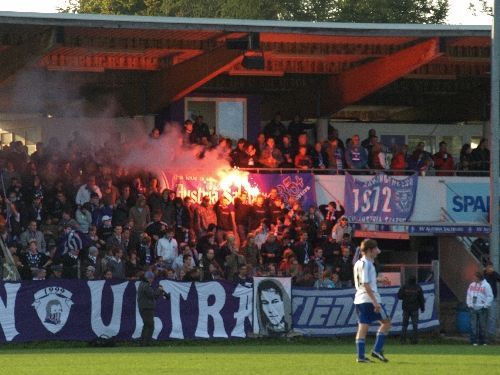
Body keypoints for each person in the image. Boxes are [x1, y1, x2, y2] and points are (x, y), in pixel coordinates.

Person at [353, 239, 391, 363]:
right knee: (386, 322)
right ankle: (376, 350)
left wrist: (378, 280)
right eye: (375, 249)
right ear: (370, 250)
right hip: (369, 299)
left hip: (359, 299)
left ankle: (361, 356)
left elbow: (366, 280)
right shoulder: (367, 264)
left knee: (363, 327)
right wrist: (375, 302)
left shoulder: (359, 263)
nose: (377, 252)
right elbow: (366, 284)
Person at [137, 271, 166, 346]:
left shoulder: (142, 284)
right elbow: (153, 295)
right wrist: (159, 290)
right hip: (147, 308)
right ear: (148, 278)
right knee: (150, 326)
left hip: (144, 307)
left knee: (146, 325)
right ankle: (146, 343)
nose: (152, 280)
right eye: (151, 278)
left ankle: (143, 343)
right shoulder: (146, 285)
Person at [466, 271, 493, 345]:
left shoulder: (486, 285)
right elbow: (468, 295)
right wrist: (469, 304)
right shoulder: (471, 285)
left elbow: (490, 296)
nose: (473, 278)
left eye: (474, 277)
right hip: (473, 307)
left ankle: (483, 341)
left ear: (479, 278)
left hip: (482, 308)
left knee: (482, 325)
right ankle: (473, 341)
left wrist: (486, 305)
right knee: (473, 325)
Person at [397, 276, 425, 344]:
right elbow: (421, 299)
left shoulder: (404, 287)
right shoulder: (418, 287)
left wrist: (405, 296)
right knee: (415, 325)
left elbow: (399, 296)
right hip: (415, 308)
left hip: (406, 308)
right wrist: (422, 308)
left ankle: (402, 340)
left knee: (404, 325)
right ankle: (415, 340)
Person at [484, 262, 500, 340]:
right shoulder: (483, 275)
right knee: (484, 316)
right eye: (489, 267)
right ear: (486, 267)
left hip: (493, 299)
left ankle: (491, 334)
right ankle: (484, 334)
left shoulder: (494, 274)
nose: (490, 269)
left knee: (492, 317)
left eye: (491, 267)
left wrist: (494, 273)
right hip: (483, 299)